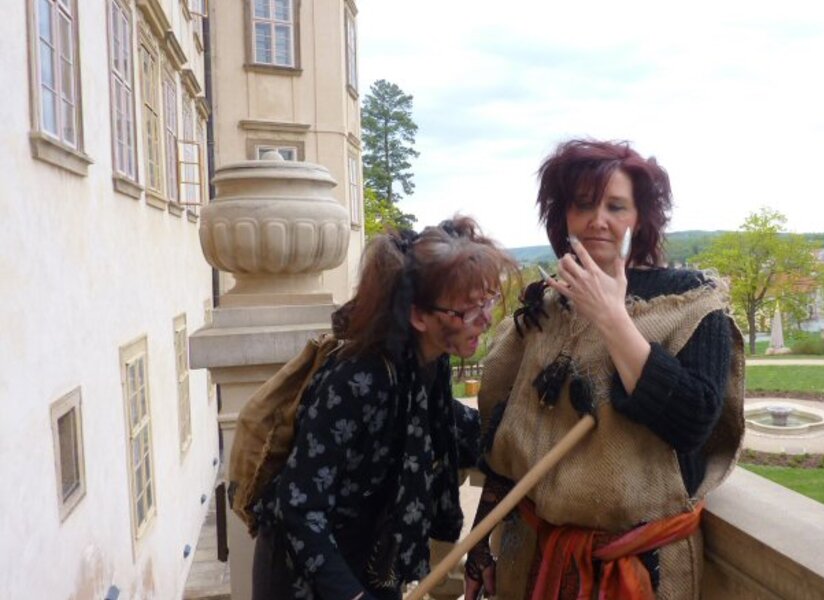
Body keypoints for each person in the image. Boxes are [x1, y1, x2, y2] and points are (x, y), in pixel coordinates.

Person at [464, 140, 745, 600]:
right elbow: (503, 438)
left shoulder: (691, 304)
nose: (598, 220)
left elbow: (693, 422)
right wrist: (479, 543)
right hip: (530, 560)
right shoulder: (545, 306)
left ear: (642, 219)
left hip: (640, 574)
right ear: (564, 217)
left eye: (616, 207)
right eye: (583, 205)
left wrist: (613, 318)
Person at [251, 216, 518, 600]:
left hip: (372, 563)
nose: (486, 320)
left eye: (486, 303)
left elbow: (449, 428)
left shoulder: (428, 363)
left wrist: (523, 435)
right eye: (468, 312)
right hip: (307, 577)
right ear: (418, 315)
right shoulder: (359, 379)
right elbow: (298, 506)